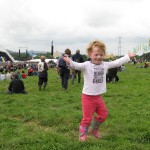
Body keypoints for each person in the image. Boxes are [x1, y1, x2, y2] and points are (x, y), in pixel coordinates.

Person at [63, 40, 136, 142]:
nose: (98, 57)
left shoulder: (104, 65)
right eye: (96, 54)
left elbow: (116, 63)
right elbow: (76, 65)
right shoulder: (86, 65)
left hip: (98, 97)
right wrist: (69, 61)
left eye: (101, 54)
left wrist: (128, 56)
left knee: (103, 115)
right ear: (90, 54)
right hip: (87, 97)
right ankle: (83, 135)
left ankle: (94, 130)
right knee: (87, 119)